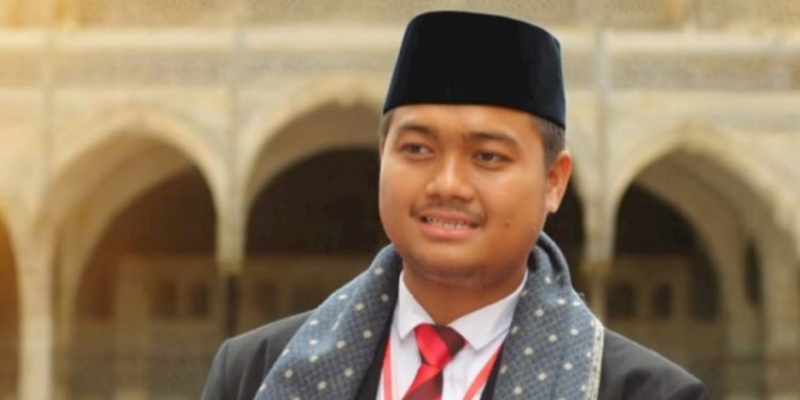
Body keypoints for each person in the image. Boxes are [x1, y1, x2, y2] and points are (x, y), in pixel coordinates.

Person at [201, 10, 709, 400]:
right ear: (382, 157)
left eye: (487, 156)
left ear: (553, 182)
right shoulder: (255, 372)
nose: (447, 184)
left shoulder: (642, 393)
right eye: (417, 149)